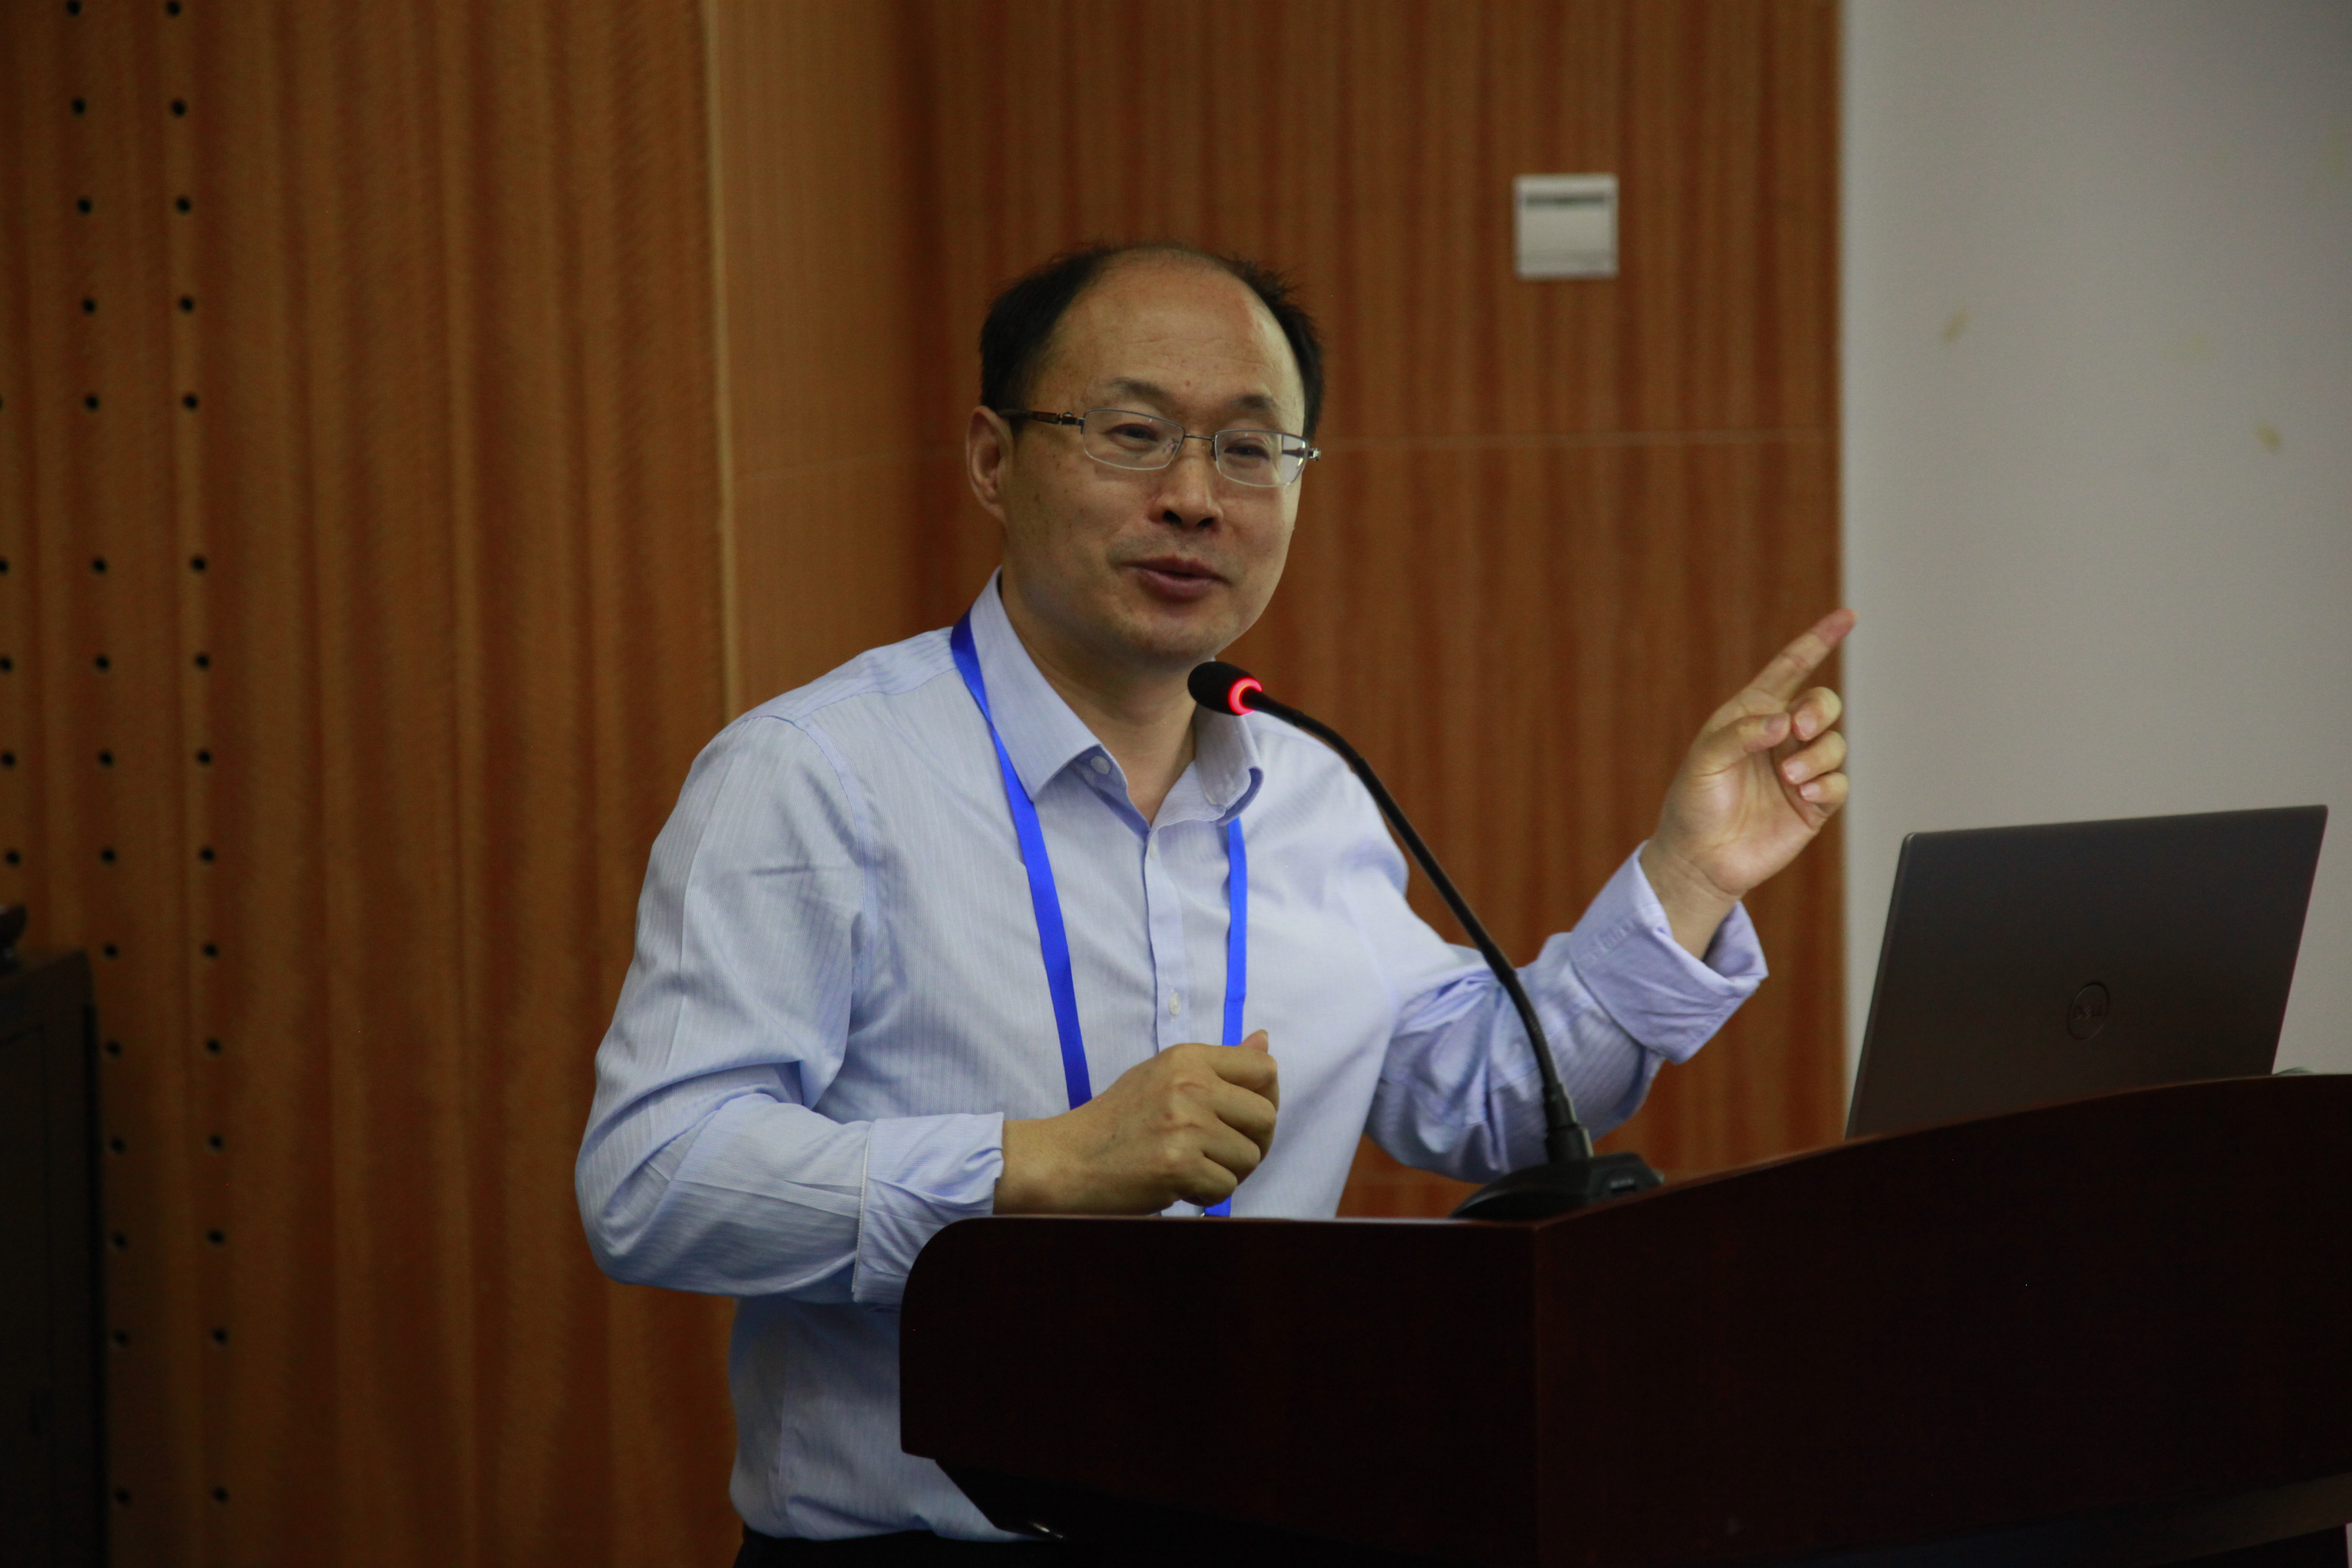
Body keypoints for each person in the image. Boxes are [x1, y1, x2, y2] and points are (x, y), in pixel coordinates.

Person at [576, 243, 1852, 1562]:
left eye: (1249, 452)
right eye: (1132, 435)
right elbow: (656, 1180)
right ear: (993, 460)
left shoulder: (1310, 788)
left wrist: (1689, 877)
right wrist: (1035, 1167)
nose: (1193, 499)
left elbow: (1491, 1099)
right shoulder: (815, 776)